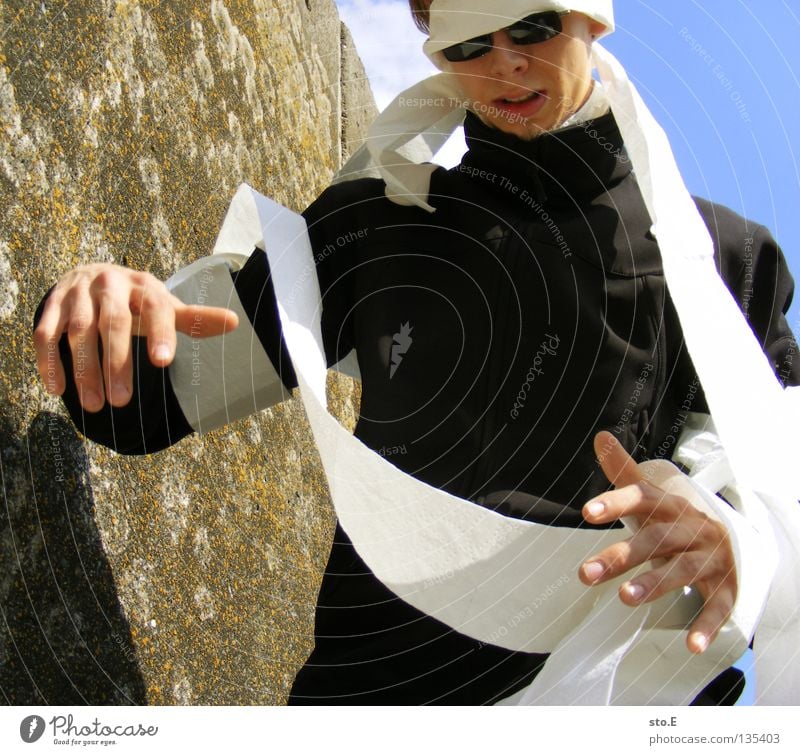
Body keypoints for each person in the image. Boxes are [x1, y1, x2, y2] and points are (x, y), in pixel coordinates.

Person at [33, 0, 799, 705]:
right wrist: (102, 319)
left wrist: (735, 540)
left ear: (590, 18)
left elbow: (781, 502)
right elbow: (140, 409)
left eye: (530, 27)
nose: (504, 64)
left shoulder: (728, 265)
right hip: (364, 701)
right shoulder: (378, 228)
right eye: (469, 41)